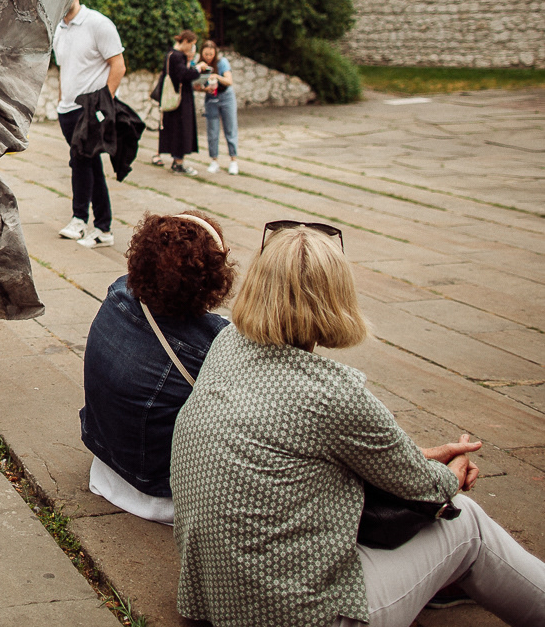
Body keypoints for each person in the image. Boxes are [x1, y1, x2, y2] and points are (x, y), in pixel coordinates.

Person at [171, 223, 545, 627]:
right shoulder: (333, 394)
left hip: (214, 598)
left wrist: (418, 457)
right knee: (468, 525)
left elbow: (296, 451)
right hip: (295, 615)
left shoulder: (226, 345)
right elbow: (428, 488)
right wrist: (449, 473)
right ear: (336, 295)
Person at [79, 211, 233, 524]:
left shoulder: (118, 295)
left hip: (106, 467)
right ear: (212, 277)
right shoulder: (217, 343)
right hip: (162, 496)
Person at [53, 0, 126, 248]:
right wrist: (61, 102)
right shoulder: (58, 30)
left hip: (90, 110)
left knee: (81, 162)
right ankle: (104, 229)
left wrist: (104, 104)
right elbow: (66, 70)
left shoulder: (98, 23)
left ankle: (79, 219)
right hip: (67, 111)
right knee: (90, 164)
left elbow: (118, 64)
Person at [156, 30, 201, 176]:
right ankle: (178, 163)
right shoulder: (178, 56)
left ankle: (177, 161)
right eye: (192, 45)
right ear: (186, 42)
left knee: (175, 130)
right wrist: (197, 70)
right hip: (180, 99)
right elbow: (183, 75)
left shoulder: (170, 54)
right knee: (182, 130)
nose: (193, 48)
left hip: (173, 98)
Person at [194, 39, 238, 174]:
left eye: (211, 54)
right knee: (212, 131)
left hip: (226, 97)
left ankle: (233, 161)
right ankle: (214, 161)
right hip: (211, 98)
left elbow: (229, 81)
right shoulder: (200, 65)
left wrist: (216, 77)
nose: (208, 57)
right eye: (206, 54)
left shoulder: (222, 62)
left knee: (230, 129)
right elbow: (195, 86)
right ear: (202, 54)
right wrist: (205, 89)